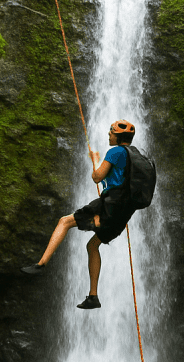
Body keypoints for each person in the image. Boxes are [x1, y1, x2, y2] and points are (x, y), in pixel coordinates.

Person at [21, 119, 139, 309]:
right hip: (123, 213)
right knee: (93, 245)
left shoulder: (116, 152)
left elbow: (97, 177)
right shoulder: (136, 156)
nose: (109, 135)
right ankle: (93, 296)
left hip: (109, 206)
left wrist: (94, 159)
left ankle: (41, 264)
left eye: (111, 132)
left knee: (64, 221)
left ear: (118, 136)